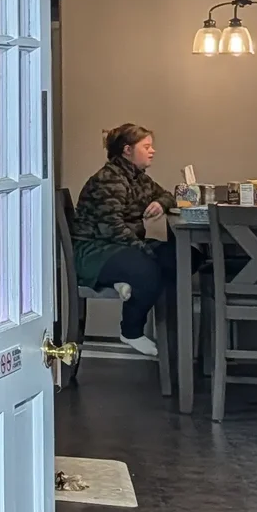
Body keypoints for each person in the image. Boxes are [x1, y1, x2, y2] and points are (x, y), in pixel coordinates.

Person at [72, 123, 179, 357]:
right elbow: (112, 228)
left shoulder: (138, 178)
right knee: (148, 267)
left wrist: (161, 203)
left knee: (179, 257)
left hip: (120, 246)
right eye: (147, 146)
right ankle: (130, 330)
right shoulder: (109, 180)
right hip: (95, 250)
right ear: (127, 150)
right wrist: (145, 250)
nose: (153, 151)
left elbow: (168, 195)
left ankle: (124, 284)